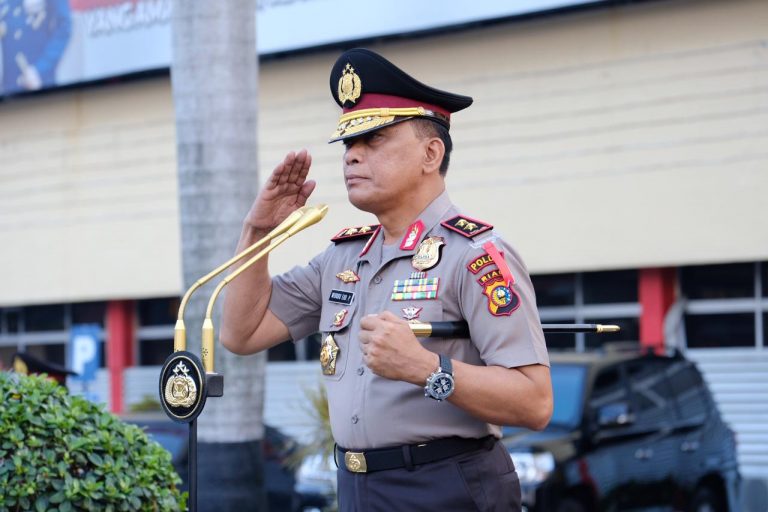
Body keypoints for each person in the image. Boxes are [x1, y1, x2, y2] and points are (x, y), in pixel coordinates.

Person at [221, 48, 553, 511]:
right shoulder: (344, 256)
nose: (352, 156)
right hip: (357, 488)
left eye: (373, 140)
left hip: (447, 486)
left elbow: (535, 403)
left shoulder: (474, 256)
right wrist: (258, 233)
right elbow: (241, 333)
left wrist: (424, 368)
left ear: (430, 153)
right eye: (349, 144)